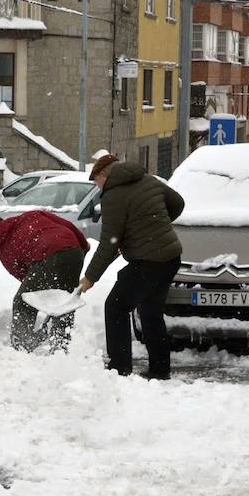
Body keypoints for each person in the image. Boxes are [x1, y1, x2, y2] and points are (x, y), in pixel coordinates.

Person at [78, 154, 185, 380]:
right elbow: (178, 203)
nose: (98, 187)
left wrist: (90, 277)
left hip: (149, 261)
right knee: (150, 312)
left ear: (105, 175)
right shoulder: (148, 179)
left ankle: (119, 368)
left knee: (115, 307)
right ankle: (159, 369)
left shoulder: (113, 196)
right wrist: (155, 224)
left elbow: (109, 242)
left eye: (97, 181)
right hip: (170, 257)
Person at [0, 211, 89, 353]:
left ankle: (21, 346)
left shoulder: (3, 245)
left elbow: (24, 276)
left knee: (23, 301)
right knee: (65, 303)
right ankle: (60, 349)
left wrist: (41, 290)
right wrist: (82, 246)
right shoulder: (30, 216)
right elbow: (67, 225)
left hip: (48, 255)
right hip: (74, 252)